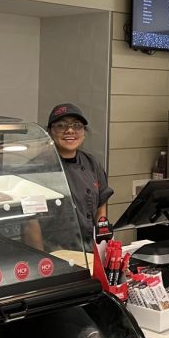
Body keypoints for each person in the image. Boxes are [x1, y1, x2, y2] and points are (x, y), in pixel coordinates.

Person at [23, 103, 113, 252]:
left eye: (77, 125)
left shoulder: (92, 163)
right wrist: (42, 262)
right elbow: (31, 224)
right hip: (54, 254)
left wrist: (102, 252)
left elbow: (101, 211)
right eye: (61, 125)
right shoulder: (35, 170)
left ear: (84, 132)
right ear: (50, 132)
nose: (70, 130)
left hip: (90, 252)